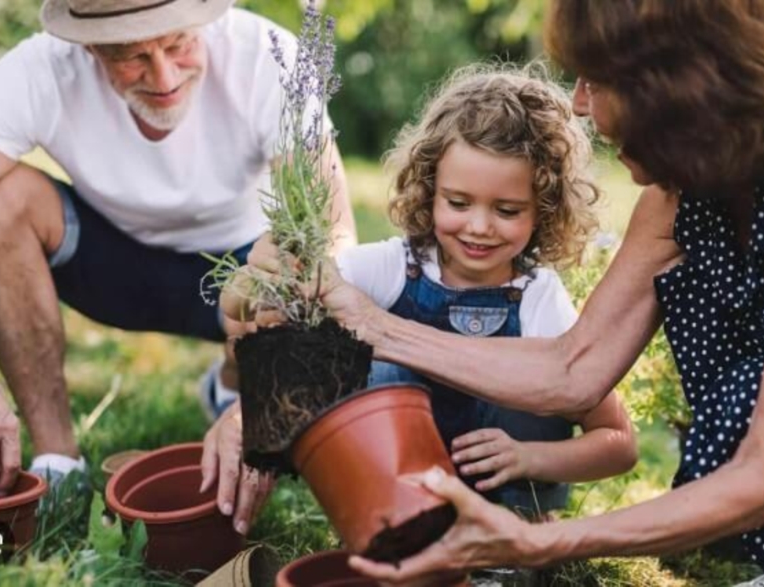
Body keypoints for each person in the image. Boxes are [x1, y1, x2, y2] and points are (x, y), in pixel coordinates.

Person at [232, 0, 764, 584]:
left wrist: (538, 539)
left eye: (600, 81)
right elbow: (573, 370)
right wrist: (368, 325)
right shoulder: (693, 175)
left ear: (681, 87)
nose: (584, 108)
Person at [0, 0, 356, 535]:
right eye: (131, 55)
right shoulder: (40, 69)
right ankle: (59, 463)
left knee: (286, 263)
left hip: (239, 274)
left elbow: (336, 239)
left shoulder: (267, 58)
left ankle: (232, 383)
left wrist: (261, 399)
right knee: (4, 204)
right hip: (111, 268)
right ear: (88, 47)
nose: (163, 76)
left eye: (179, 42)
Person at [219, 65, 638, 521]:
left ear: (544, 209)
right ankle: (389, 523)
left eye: (507, 209)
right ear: (429, 191)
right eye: (458, 203)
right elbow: (247, 306)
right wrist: (256, 275)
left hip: (503, 509)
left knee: (538, 377)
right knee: (376, 367)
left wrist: (531, 457)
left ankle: (521, 535)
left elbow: (618, 444)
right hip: (400, 501)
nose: (479, 226)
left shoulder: (539, 297)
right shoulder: (392, 268)